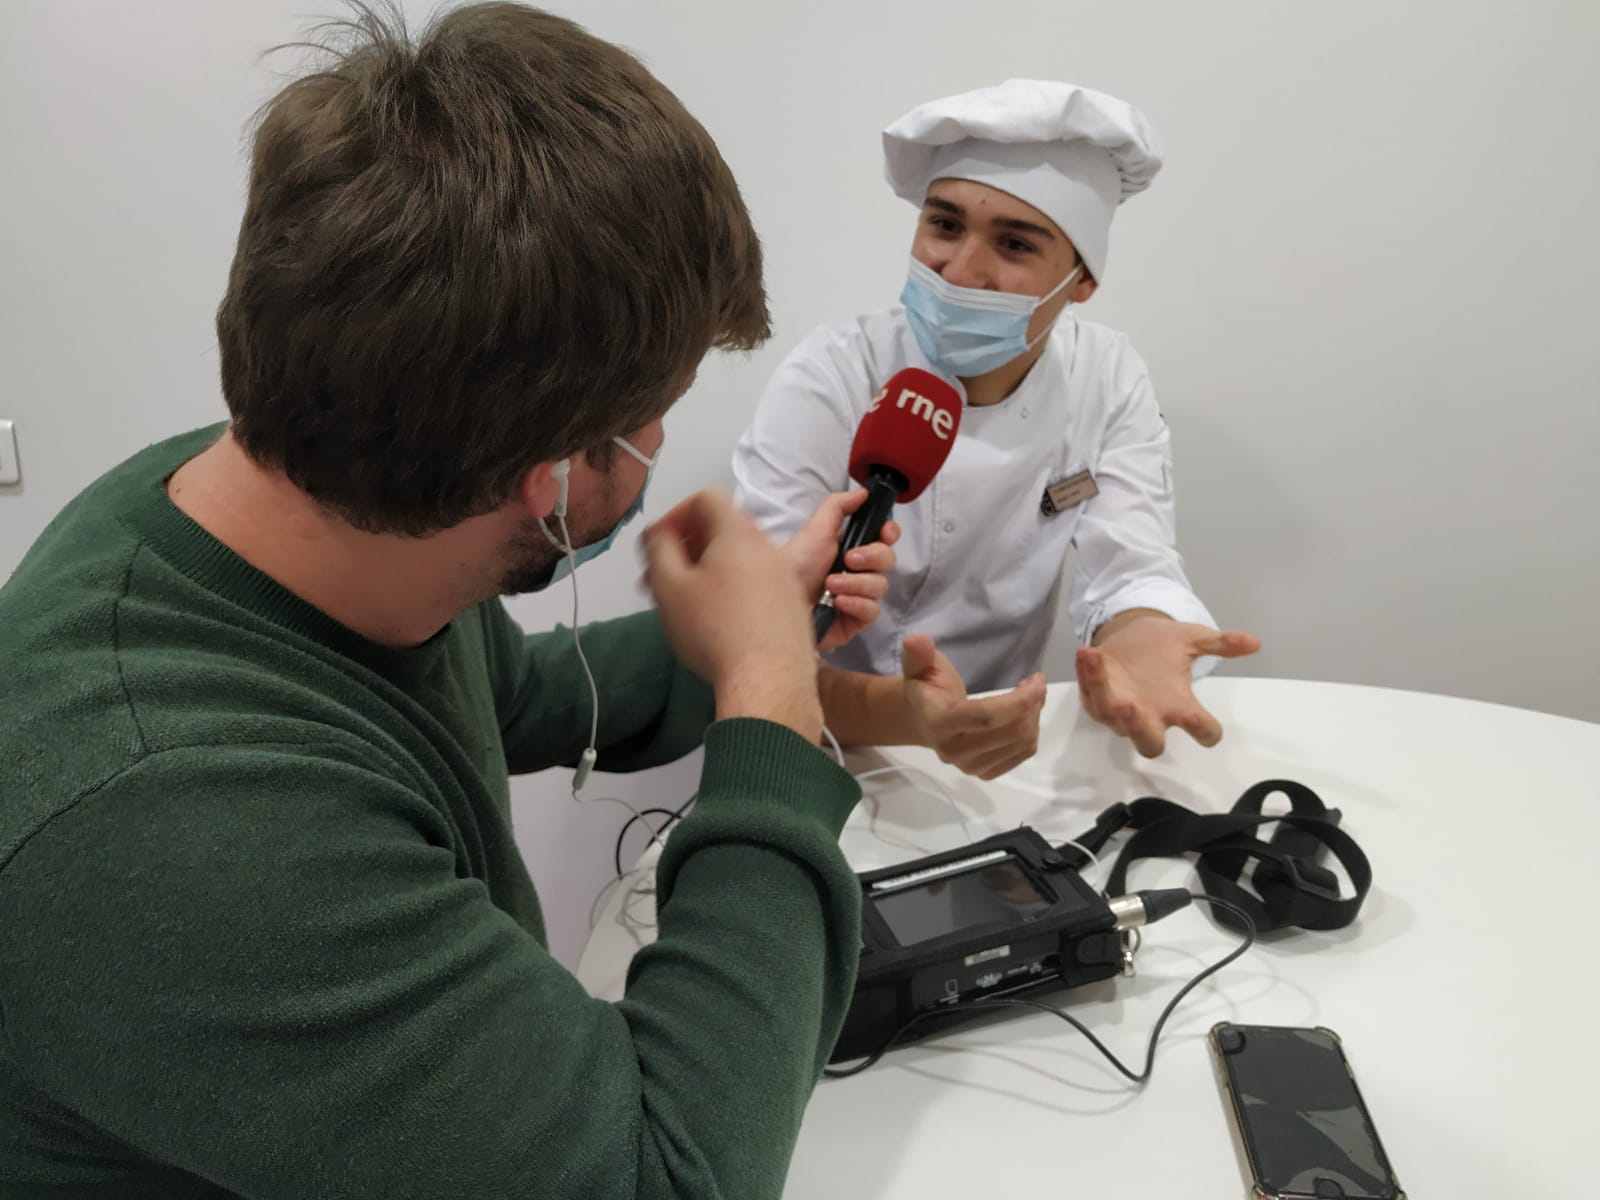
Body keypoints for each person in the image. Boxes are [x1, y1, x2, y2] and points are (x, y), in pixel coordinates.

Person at [0, 7, 896, 1198]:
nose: (660, 448)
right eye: (652, 420)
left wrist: (749, 629)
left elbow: (511, 697)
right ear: (554, 476)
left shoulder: (315, 490)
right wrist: (770, 708)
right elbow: (675, 1176)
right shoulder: (183, 837)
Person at [734, 80, 1261, 777]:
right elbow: (750, 634)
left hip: (994, 748)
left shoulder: (1106, 378)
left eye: (1014, 243)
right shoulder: (835, 373)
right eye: (944, 225)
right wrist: (904, 715)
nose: (960, 269)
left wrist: (1141, 636)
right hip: (806, 734)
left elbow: (1131, 562)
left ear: (1080, 282)